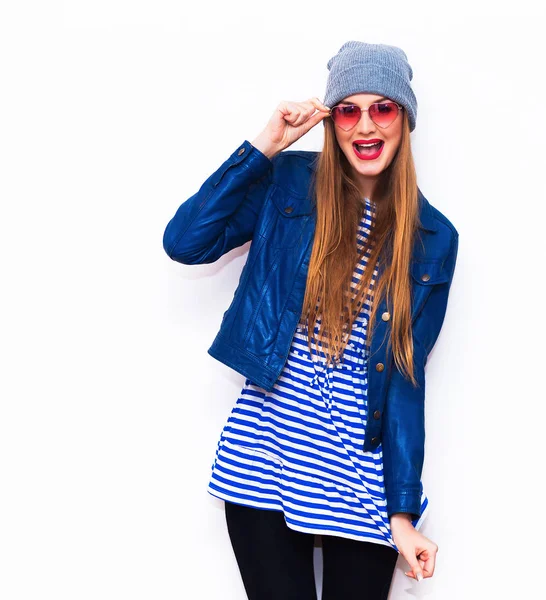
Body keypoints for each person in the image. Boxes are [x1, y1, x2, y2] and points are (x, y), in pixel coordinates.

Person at [163, 41, 459, 600]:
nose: (365, 125)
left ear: (405, 119)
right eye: (348, 109)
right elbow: (185, 242)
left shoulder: (433, 238)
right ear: (332, 120)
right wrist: (266, 145)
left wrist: (400, 510)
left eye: (383, 108)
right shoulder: (289, 184)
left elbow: (405, 379)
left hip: (360, 479)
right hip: (263, 461)